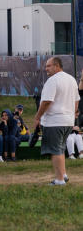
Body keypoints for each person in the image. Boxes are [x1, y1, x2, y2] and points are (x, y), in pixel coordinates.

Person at [35, 56, 80, 185]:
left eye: (48, 66)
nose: (46, 68)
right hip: (68, 121)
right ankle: (63, 174)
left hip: (55, 121)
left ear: (57, 66)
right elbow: (76, 100)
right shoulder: (71, 79)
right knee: (60, 149)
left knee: (55, 151)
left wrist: (37, 117)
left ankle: (59, 180)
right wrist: (73, 113)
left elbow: (47, 101)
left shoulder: (53, 80)